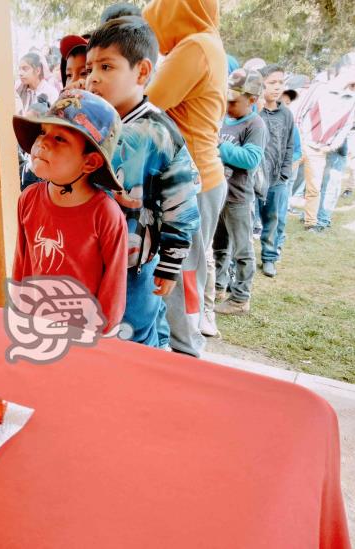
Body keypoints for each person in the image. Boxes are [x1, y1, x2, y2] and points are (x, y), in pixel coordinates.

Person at [86, 17, 200, 348]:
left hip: (134, 267)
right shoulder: (91, 124)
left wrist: (171, 262)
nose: (93, 77)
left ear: (142, 72)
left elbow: (181, 201)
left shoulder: (159, 133)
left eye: (107, 67)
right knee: (99, 331)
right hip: (93, 260)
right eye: (91, 68)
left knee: (133, 337)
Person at [142, 0, 227, 356]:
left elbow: (146, 102)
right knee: (184, 272)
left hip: (190, 185)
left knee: (180, 274)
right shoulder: (205, 43)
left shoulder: (195, 46)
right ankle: (181, 350)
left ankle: (187, 357)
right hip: (198, 178)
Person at [12, 89, 128, 333]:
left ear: (90, 162)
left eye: (60, 139)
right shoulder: (28, 199)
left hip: (83, 333)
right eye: (43, 132)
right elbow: (22, 263)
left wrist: (103, 336)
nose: (42, 142)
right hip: (36, 326)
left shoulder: (106, 215)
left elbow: (113, 287)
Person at [213, 69, 267, 314]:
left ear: (252, 101)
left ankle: (240, 298)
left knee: (242, 250)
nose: (228, 105)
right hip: (219, 194)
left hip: (238, 198)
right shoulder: (223, 118)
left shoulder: (255, 125)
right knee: (218, 246)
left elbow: (250, 159)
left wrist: (219, 146)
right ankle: (217, 286)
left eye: (233, 101)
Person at [293, 66, 355, 232]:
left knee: (316, 188)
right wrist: (299, 138)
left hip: (321, 149)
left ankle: (312, 222)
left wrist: (330, 146)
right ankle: (274, 213)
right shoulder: (320, 88)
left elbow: (346, 126)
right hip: (302, 141)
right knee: (286, 180)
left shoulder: (353, 99)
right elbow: (300, 112)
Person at [257, 64, 293, 278]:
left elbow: (289, 144)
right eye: (272, 83)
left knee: (273, 219)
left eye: (281, 82)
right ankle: (237, 263)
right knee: (248, 221)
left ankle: (269, 257)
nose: (277, 87)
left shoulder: (286, 114)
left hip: (277, 178)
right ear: (261, 84)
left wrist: (285, 173)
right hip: (253, 179)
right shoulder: (254, 111)